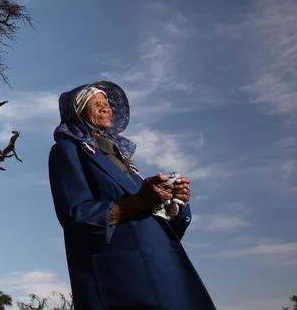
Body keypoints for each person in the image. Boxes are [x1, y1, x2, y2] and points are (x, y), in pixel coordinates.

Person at [48, 81, 216, 309]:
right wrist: (139, 202)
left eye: (107, 103)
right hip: (123, 282)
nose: (107, 107)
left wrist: (174, 202)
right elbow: (77, 215)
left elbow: (158, 222)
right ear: (78, 111)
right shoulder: (68, 151)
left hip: (166, 272)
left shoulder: (122, 159)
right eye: (96, 103)